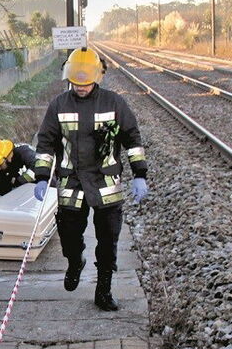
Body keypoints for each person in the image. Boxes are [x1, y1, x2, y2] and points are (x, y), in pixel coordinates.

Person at [33, 47, 148, 311]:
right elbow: (45, 143)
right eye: (76, 82)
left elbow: (132, 139)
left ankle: (103, 290)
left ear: (97, 77)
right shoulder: (59, 105)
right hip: (71, 183)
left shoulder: (114, 103)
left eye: (85, 82)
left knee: (108, 240)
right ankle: (75, 262)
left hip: (105, 184)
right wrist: (41, 176)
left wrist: (139, 174)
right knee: (70, 236)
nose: (80, 87)